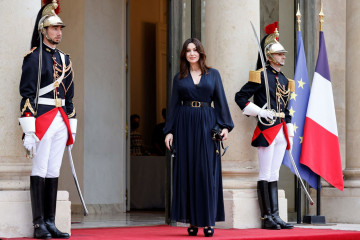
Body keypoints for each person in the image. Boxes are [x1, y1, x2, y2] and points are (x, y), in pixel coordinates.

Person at [164, 38, 233, 237]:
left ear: (201, 53)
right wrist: (169, 131)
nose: (192, 53)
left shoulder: (214, 75)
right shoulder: (179, 78)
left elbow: (220, 101)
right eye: (188, 50)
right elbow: (174, 106)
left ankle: (208, 220)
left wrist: (224, 127)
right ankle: (193, 221)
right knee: (188, 172)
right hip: (185, 126)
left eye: (195, 50)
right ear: (184, 54)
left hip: (207, 125)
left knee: (205, 174)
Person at [18, 1, 75, 238]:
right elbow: (27, 94)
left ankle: (51, 221)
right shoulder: (34, 58)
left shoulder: (64, 58)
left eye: (60, 28)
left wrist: (72, 125)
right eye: (53, 28)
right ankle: (38, 224)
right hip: (42, 117)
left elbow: (70, 94)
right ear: (44, 30)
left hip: (61, 119)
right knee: (40, 169)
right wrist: (29, 129)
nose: (58, 32)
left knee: (53, 170)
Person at [235, 22, 294, 230]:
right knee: (265, 172)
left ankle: (275, 215)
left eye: (283, 54)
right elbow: (240, 97)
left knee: (275, 174)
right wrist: (260, 111)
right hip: (267, 129)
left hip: (281, 130)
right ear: (270, 57)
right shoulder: (260, 75)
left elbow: (287, 109)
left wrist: (291, 132)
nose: (283, 57)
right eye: (279, 54)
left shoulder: (286, 80)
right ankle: (266, 217)